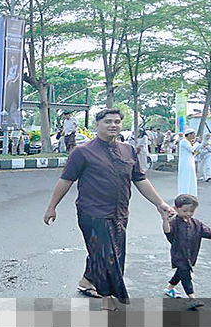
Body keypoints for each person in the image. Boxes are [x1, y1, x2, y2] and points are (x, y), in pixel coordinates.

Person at [43, 109, 175, 311]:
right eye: (107, 122)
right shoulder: (82, 152)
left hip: (120, 212)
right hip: (92, 212)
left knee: (108, 250)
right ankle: (108, 300)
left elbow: (140, 179)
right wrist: (52, 207)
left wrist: (160, 204)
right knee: (108, 255)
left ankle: (87, 280)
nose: (113, 125)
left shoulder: (129, 150)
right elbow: (66, 180)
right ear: (97, 125)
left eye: (117, 122)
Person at [161, 194, 211, 309]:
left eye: (191, 212)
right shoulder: (174, 222)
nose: (188, 214)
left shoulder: (196, 224)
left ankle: (169, 288)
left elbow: (208, 233)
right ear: (176, 209)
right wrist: (165, 219)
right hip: (179, 254)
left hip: (191, 255)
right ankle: (192, 298)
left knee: (180, 272)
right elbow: (167, 231)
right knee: (186, 275)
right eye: (185, 211)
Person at [177, 128, 198, 196]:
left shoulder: (189, 142)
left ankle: (191, 192)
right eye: (193, 134)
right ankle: (184, 193)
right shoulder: (184, 141)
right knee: (185, 178)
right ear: (189, 135)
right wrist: (197, 143)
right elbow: (191, 149)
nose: (194, 136)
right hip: (185, 163)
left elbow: (194, 152)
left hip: (190, 162)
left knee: (191, 177)